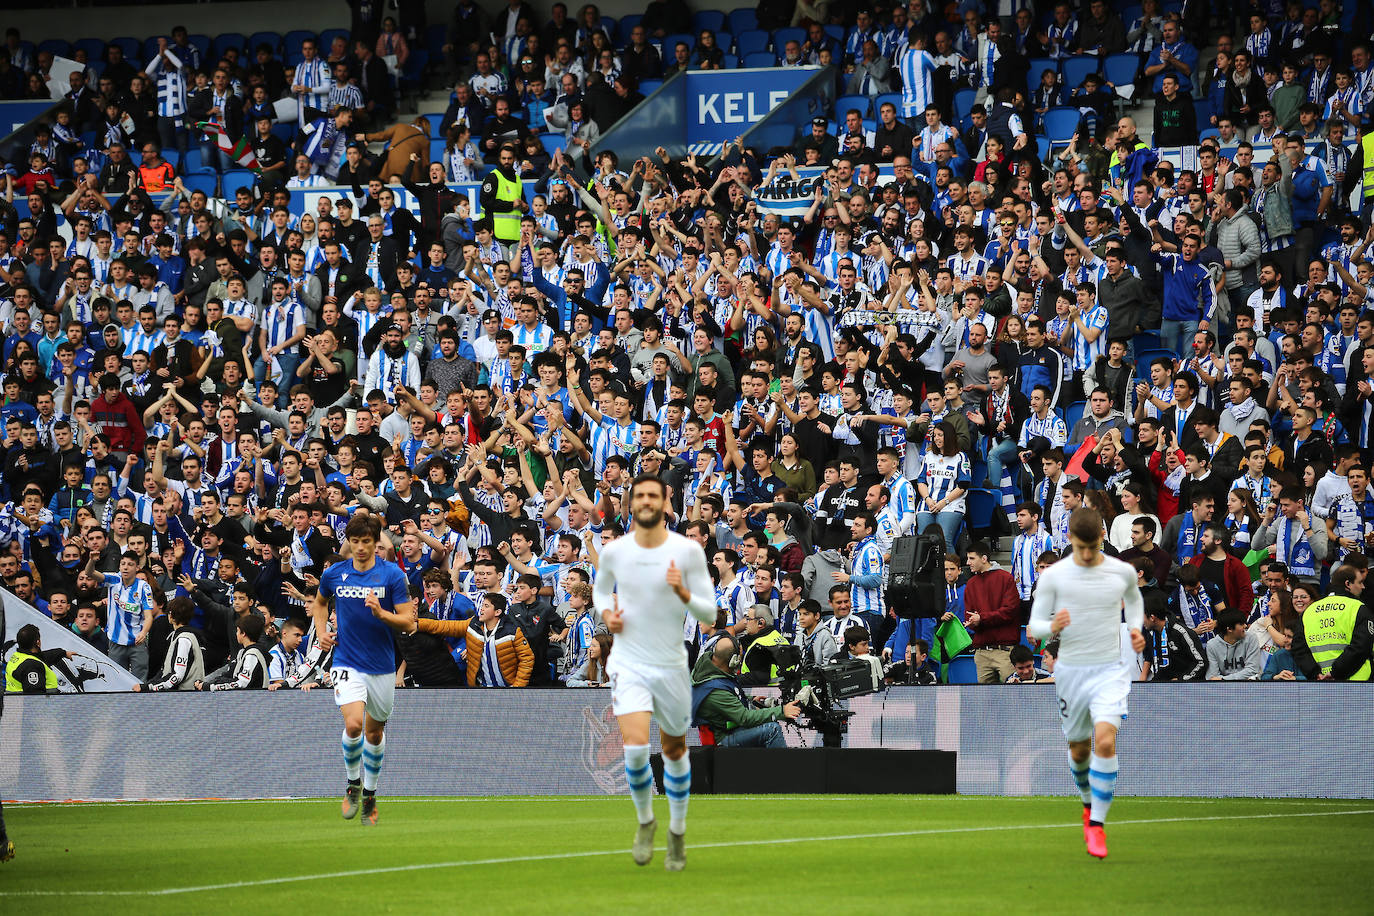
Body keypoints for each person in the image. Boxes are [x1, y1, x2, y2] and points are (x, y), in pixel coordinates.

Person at [592, 474, 717, 871]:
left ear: (666, 503)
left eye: (653, 495)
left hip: (670, 665)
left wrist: (682, 592)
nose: (645, 501)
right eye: (638, 495)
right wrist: (607, 613)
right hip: (629, 663)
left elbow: (710, 614)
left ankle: (677, 830)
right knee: (632, 750)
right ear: (631, 504)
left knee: (674, 751)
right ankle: (646, 821)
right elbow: (599, 591)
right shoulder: (616, 552)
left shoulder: (687, 552)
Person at [1028, 507, 1145, 860]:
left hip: (1110, 670)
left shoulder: (1120, 571)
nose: (1088, 554)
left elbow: (1135, 603)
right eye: (1081, 547)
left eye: (1093, 547)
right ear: (1071, 541)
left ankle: (1097, 824)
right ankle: (1085, 801)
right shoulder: (1055, 577)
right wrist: (1053, 626)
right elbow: (1035, 627)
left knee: (1106, 741)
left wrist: (1136, 628)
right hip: (1071, 672)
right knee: (1080, 750)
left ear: (1102, 539)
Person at [309, 513, 417, 827]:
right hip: (346, 661)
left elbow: (409, 621)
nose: (359, 547)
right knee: (354, 724)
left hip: (382, 665)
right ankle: (353, 784)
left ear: (375, 542)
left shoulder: (392, 575)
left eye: (365, 542)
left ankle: (370, 792)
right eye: (354, 541)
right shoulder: (335, 574)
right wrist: (320, 631)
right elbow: (319, 603)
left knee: (374, 732)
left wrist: (382, 613)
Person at [690, 634, 799, 748]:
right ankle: (786, 766)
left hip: (730, 729)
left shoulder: (713, 670)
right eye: (740, 657)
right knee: (772, 729)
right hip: (724, 738)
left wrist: (750, 700)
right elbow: (744, 718)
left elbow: (730, 697)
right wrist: (781, 711)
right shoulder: (715, 689)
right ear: (733, 660)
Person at [1288, 564, 1373, 681]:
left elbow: (1298, 648)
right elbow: (1361, 647)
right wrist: (1335, 673)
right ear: (1347, 584)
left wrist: (1315, 674)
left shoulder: (1309, 611)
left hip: (1320, 684)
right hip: (1358, 683)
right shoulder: (1358, 608)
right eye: (1359, 582)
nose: (1363, 587)